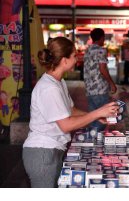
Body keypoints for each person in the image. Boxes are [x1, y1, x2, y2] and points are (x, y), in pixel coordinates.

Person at [22, 37, 119, 188]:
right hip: (42, 152)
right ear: (64, 60)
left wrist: (97, 116)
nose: (77, 59)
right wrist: (97, 112)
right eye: (74, 56)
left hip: (52, 149)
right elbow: (66, 125)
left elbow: (71, 110)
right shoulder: (49, 88)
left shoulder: (58, 82)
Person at [83, 28, 117, 131]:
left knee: (93, 117)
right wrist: (112, 83)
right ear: (102, 37)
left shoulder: (87, 50)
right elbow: (103, 69)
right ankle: (98, 142)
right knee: (102, 119)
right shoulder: (101, 50)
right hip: (100, 89)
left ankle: (92, 141)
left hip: (89, 89)